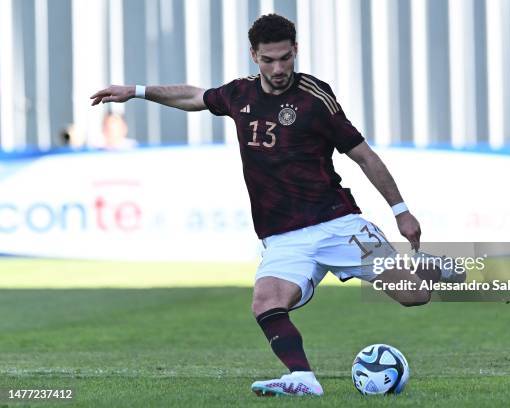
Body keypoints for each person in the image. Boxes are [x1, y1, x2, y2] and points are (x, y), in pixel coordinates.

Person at [91, 14, 463, 397]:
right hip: (283, 237)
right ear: (254, 55)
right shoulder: (240, 95)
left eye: (285, 58)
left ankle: (424, 263)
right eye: (269, 59)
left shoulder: (315, 98)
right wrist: (135, 91)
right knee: (265, 301)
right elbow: (193, 96)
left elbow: (365, 156)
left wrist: (401, 211)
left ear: (296, 51)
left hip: (336, 223)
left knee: (415, 296)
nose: (279, 68)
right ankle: (303, 379)